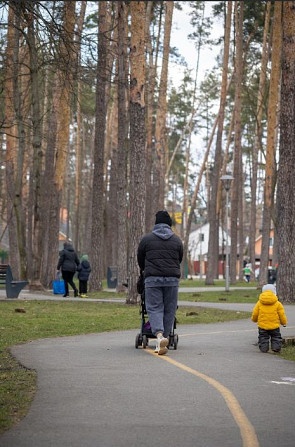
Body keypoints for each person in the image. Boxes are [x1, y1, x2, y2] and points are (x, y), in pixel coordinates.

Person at [137, 210, 183, 355]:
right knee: (170, 308)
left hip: (152, 279)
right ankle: (167, 336)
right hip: (172, 280)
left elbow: (140, 258)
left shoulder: (147, 239)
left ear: (156, 224)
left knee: (154, 307)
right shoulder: (176, 240)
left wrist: (146, 270)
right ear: (169, 224)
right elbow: (179, 258)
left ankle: (159, 336)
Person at [251, 284, 287, 353]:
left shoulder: (259, 303)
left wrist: (254, 319)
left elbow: (255, 313)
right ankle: (276, 348)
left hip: (262, 326)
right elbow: (281, 314)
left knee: (263, 337)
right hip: (274, 326)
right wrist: (283, 322)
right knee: (276, 337)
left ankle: (264, 348)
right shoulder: (277, 304)